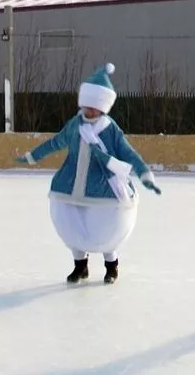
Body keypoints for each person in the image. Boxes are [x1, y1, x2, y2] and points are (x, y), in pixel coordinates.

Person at [16, 63, 161, 284]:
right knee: (73, 227)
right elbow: (56, 142)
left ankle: (111, 267)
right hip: (71, 185)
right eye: (86, 105)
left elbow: (128, 152)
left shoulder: (110, 129)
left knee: (106, 230)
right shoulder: (75, 125)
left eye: (93, 106)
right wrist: (32, 156)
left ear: (102, 107)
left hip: (103, 190)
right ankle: (80, 267)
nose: (88, 110)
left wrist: (143, 172)